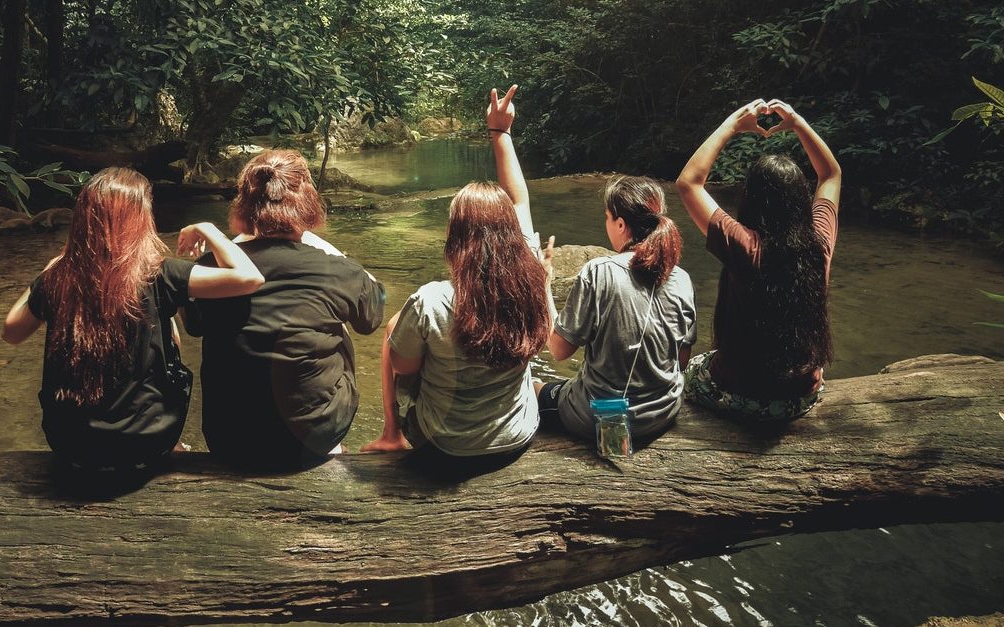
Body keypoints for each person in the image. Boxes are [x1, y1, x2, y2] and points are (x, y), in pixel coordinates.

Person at [1, 167, 264, 471]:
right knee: (164, 320)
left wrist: (49, 272)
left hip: (70, 445)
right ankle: (172, 445)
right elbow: (250, 278)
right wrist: (209, 229)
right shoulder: (159, 273)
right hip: (142, 445)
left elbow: (11, 332)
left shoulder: (58, 277)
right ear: (140, 218)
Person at [361, 85, 552, 471]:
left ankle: (391, 433)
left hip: (442, 448)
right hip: (516, 438)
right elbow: (520, 201)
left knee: (397, 328)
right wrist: (502, 134)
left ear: (456, 239)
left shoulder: (432, 300)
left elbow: (404, 369)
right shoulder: (531, 275)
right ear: (511, 235)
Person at [185, 149, 385, 470]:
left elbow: (193, 325)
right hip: (311, 439)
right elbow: (372, 317)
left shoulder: (212, 266)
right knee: (336, 317)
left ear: (245, 206)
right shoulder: (335, 269)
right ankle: (329, 439)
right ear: (307, 203)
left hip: (229, 440)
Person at [674, 98, 842, 423]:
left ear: (750, 200)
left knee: (693, 369)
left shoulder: (744, 245)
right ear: (801, 201)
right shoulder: (819, 244)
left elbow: (688, 182)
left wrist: (733, 125)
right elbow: (831, 174)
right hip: (800, 396)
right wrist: (797, 124)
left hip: (741, 395)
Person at [535, 175, 696, 445]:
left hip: (602, 419)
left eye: (607, 217)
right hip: (663, 413)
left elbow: (559, 350)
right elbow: (681, 361)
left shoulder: (599, 271)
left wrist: (544, 284)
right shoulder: (681, 278)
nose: (606, 223)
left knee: (533, 387)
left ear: (621, 224)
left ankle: (612, 441)